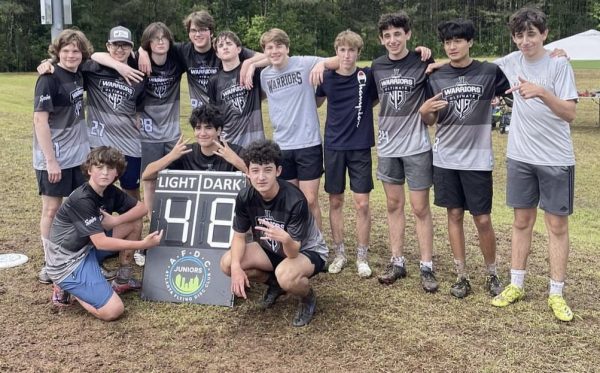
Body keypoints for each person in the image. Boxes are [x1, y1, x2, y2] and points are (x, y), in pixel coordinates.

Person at [490, 7, 578, 322]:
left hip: (556, 159)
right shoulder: (511, 62)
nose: (525, 41)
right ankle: (516, 284)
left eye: (531, 34)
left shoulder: (558, 64)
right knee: (521, 222)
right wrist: (432, 62)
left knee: (556, 226)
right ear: (513, 37)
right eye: (519, 35)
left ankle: (556, 292)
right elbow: (467, 66)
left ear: (544, 34)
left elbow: (569, 113)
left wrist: (541, 92)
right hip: (520, 157)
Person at [419, 19, 510, 298]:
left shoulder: (490, 72)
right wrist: (424, 112)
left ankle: (492, 273)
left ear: (470, 42)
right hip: (445, 158)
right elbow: (431, 119)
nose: (453, 46)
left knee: (482, 219)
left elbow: (513, 91)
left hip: (478, 160)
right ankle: (461, 275)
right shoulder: (435, 77)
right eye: (448, 42)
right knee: (454, 214)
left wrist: (558, 55)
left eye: (458, 40)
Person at [43, 147, 163, 320]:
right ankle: (67, 287)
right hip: (67, 262)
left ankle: (123, 279)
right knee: (114, 310)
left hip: (87, 248)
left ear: (117, 172)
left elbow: (142, 208)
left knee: (132, 222)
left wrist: (115, 221)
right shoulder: (82, 199)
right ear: (89, 170)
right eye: (99, 167)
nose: (105, 173)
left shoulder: (109, 190)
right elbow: (101, 243)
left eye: (110, 168)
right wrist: (143, 245)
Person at [220, 140, 328, 327]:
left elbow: (293, 251)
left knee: (286, 275)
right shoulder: (245, 197)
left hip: (304, 251)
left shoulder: (295, 200)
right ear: (248, 172)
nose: (261, 177)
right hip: (271, 248)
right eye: (255, 170)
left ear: (278, 171)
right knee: (228, 264)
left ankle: (307, 296)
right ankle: (275, 285)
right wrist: (237, 267)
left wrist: (285, 238)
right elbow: (239, 236)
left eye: (267, 170)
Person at [371, 12, 437, 292]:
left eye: (397, 34)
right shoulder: (376, 66)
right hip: (388, 147)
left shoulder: (423, 61)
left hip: (416, 146)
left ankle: (426, 265)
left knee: (420, 207)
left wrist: (429, 54)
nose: (392, 40)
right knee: (393, 205)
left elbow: (449, 71)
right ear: (381, 39)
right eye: (387, 36)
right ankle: (397, 261)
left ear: (408, 35)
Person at [259, 28, 339, 230]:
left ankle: (317, 247)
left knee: (310, 200)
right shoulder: (265, 76)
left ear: (287, 48)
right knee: (292, 201)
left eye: (279, 46)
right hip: (282, 145)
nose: (275, 51)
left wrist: (321, 64)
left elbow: (339, 60)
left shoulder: (303, 63)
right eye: (270, 47)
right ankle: (297, 244)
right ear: (265, 52)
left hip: (307, 142)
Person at [315, 30, 378, 278]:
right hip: (333, 146)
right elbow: (316, 102)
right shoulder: (326, 77)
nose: (346, 55)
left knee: (362, 203)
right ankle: (339, 253)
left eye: (351, 50)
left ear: (358, 53)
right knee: (335, 200)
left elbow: (372, 101)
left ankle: (362, 256)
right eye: (342, 50)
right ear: (336, 52)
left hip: (360, 146)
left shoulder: (367, 76)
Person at [33, 29, 93, 284]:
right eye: (65, 50)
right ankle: (51, 263)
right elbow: (40, 119)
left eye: (75, 50)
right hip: (55, 158)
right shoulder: (48, 78)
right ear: (57, 53)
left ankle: (80, 255)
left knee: (81, 206)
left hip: (78, 156)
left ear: (82, 53)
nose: (70, 55)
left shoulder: (79, 74)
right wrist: (50, 161)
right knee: (52, 209)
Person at [141, 104, 247, 183]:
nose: (202, 133)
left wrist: (236, 161)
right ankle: (151, 213)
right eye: (198, 128)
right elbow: (146, 175)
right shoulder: (186, 152)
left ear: (218, 130)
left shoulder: (234, 152)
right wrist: (171, 156)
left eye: (208, 128)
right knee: (150, 182)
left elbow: (258, 180)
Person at [207, 31, 265, 147]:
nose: (225, 47)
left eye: (229, 43)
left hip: (255, 140)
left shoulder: (252, 72)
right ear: (217, 54)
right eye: (221, 46)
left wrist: (251, 64)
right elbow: (214, 114)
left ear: (239, 49)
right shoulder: (214, 80)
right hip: (229, 140)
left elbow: (274, 57)